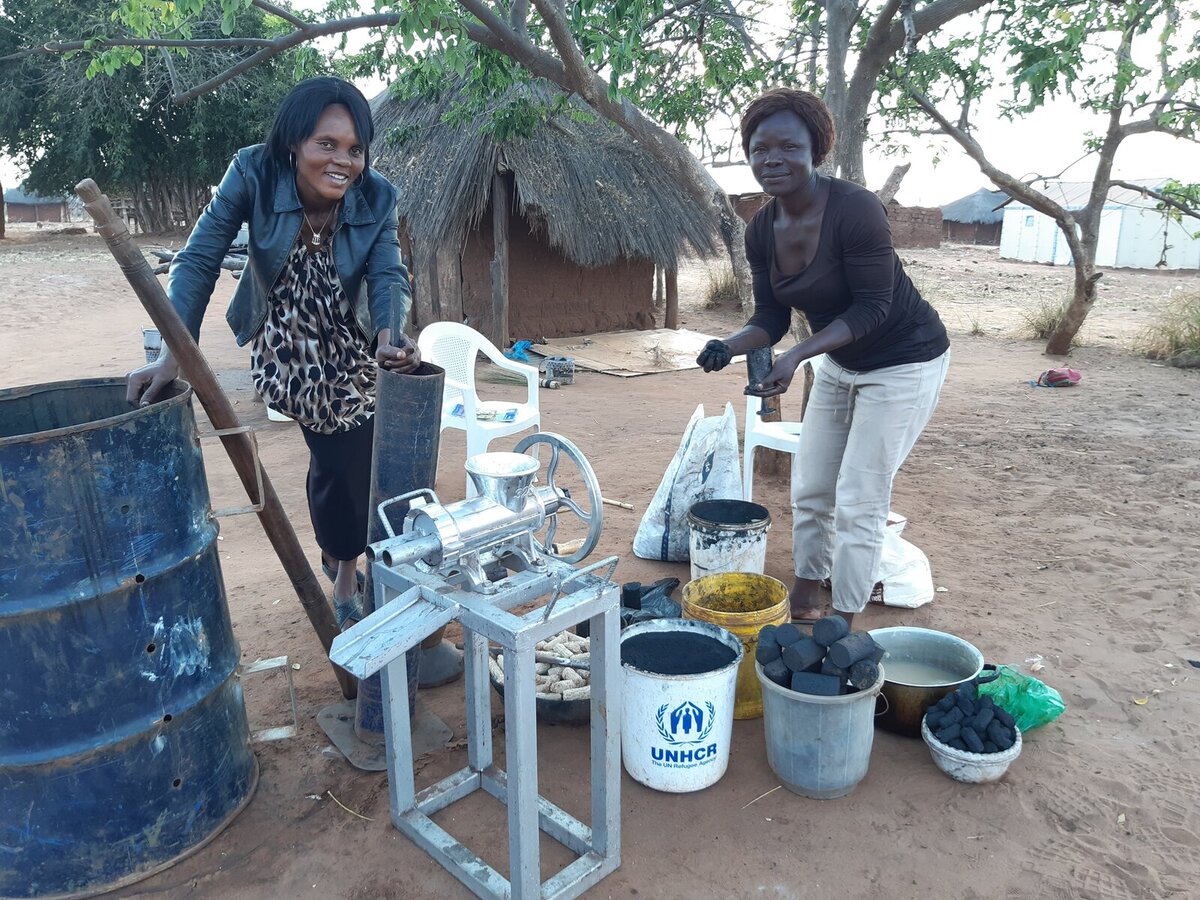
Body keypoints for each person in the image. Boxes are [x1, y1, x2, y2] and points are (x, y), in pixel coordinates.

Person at [127, 77, 419, 627]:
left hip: (352, 344)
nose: (343, 161)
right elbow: (199, 258)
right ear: (293, 141)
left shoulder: (378, 196)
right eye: (326, 144)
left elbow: (388, 272)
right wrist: (175, 351)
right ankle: (344, 562)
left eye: (355, 149)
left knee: (352, 459)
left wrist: (388, 334)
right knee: (335, 457)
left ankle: (343, 564)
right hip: (288, 343)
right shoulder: (253, 171)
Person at [697, 87, 950, 627]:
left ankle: (843, 622)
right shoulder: (761, 230)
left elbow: (874, 307)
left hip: (904, 360)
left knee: (860, 498)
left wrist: (797, 357)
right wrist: (729, 345)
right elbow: (770, 318)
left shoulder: (855, 209)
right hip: (840, 362)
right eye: (760, 149)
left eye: (788, 147)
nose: (772, 159)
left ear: (816, 149)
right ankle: (807, 594)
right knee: (811, 487)